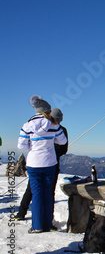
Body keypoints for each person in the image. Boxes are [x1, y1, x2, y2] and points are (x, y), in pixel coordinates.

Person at [18, 96, 67, 233]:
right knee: (47, 194)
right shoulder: (53, 125)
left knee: (37, 193)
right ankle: (46, 224)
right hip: (50, 163)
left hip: (34, 163)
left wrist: (32, 145)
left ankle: (37, 226)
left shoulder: (27, 126)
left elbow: (21, 146)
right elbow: (62, 141)